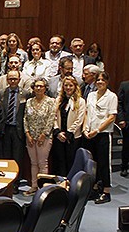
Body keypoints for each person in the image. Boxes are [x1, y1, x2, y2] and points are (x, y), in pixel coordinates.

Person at [83, 72, 118, 204]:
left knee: (104, 163)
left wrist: (97, 130)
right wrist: (86, 128)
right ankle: (95, 188)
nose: (100, 82)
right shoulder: (91, 95)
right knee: (93, 163)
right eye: (98, 80)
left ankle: (106, 191)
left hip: (102, 134)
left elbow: (111, 117)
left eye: (103, 80)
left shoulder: (112, 96)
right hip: (90, 134)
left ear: (107, 82)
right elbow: (87, 113)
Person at [22, 78, 55, 196]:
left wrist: (43, 135)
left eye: (41, 86)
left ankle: (43, 189)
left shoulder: (51, 101)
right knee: (33, 163)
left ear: (45, 88)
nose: (38, 88)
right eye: (36, 86)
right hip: (30, 136)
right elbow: (25, 118)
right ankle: (34, 186)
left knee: (43, 163)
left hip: (44, 137)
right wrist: (27, 134)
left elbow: (51, 119)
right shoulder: (29, 101)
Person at [0, 70, 27, 192]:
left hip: (18, 129)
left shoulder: (25, 93)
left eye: (15, 79)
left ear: (19, 80)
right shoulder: (1, 92)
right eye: (10, 79)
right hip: (5, 128)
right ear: (7, 80)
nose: (12, 81)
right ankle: (6, 182)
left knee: (17, 157)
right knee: (5, 156)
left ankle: (15, 183)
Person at [50, 75, 85, 177]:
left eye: (70, 85)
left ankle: (70, 184)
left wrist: (69, 132)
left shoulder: (80, 101)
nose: (68, 88)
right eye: (66, 85)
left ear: (75, 86)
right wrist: (57, 131)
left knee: (71, 161)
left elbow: (79, 119)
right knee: (60, 162)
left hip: (73, 137)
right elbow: (53, 116)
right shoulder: (58, 100)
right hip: (59, 136)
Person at [118, 80, 129, 177]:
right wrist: (121, 119)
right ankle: (124, 166)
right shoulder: (124, 85)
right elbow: (120, 103)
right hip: (127, 121)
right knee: (127, 146)